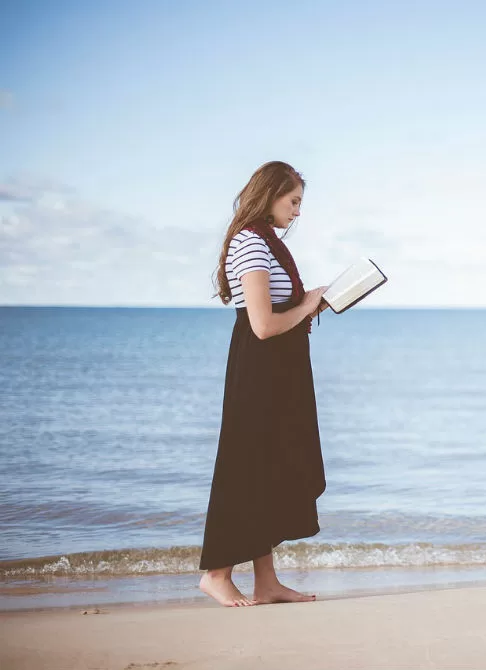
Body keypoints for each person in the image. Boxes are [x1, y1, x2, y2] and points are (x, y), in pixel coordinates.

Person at [199, 160, 331, 607]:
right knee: (246, 471)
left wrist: (310, 303)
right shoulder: (251, 244)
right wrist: (309, 306)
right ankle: (216, 574)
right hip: (260, 373)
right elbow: (262, 326)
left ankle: (267, 582)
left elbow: (273, 314)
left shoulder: (263, 242)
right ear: (271, 194)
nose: (297, 212)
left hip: (277, 374)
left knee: (269, 473)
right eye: (293, 201)